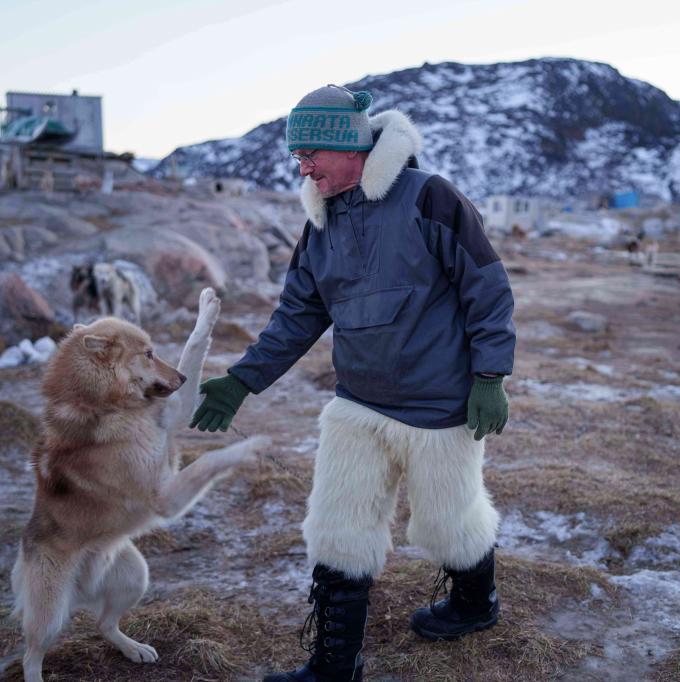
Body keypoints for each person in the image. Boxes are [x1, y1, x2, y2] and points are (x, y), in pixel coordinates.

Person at [190, 84, 516, 682]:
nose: (303, 167)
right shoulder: (320, 226)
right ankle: (335, 665)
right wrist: (242, 382)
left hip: (441, 406)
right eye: (297, 159)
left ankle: (475, 603)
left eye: (310, 152)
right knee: (339, 531)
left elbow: (486, 288)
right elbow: (296, 316)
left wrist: (490, 375)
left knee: (450, 524)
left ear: (350, 147)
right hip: (357, 407)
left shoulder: (430, 198)